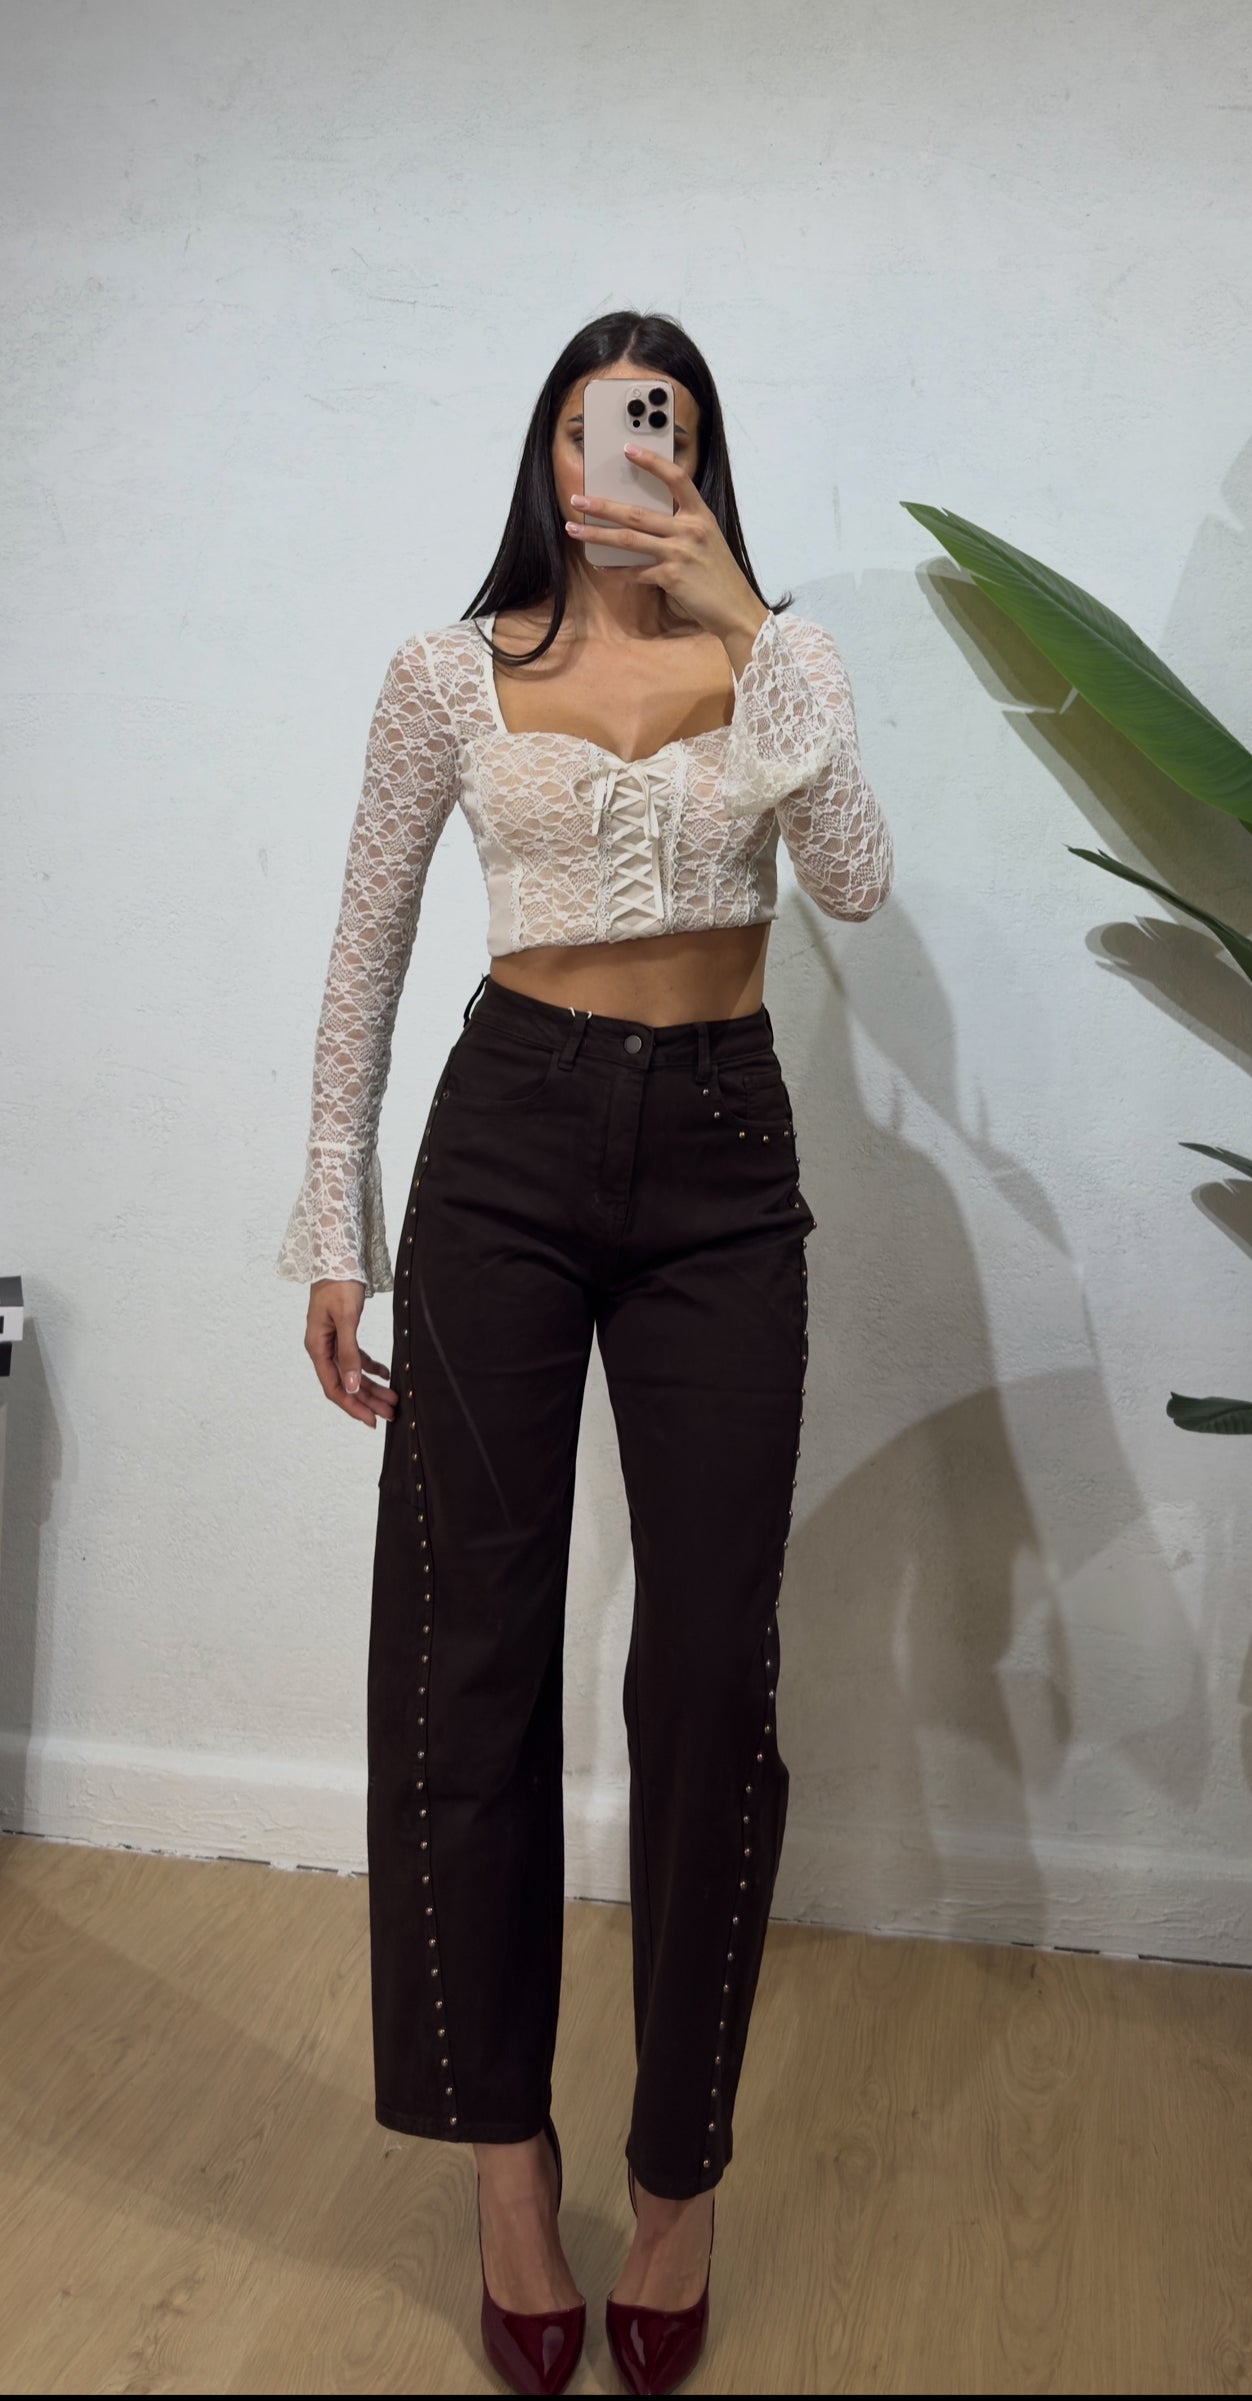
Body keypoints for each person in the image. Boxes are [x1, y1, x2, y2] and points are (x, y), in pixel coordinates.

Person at [276, 309, 894, 2398]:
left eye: (662, 430)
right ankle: (507, 2164)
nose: (622, 459)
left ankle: (679, 2166)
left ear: (701, 461)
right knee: (468, 1654)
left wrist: (750, 623)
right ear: (543, 454)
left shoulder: (776, 658)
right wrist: (336, 1224)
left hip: (723, 1162)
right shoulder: (446, 674)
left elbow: (857, 883)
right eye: (590, 426)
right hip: (509, 1152)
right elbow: (364, 948)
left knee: (711, 1671)